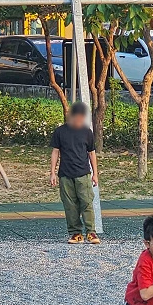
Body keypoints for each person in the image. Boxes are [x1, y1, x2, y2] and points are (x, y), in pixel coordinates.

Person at [50, 101, 100, 244]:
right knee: (69, 205)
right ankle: (75, 233)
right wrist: (52, 172)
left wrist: (95, 174)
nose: (79, 120)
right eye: (76, 117)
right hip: (65, 174)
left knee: (86, 202)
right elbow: (55, 152)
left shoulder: (87, 132)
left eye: (81, 118)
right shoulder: (60, 132)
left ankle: (91, 232)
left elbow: (92, 153)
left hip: (83, 173)